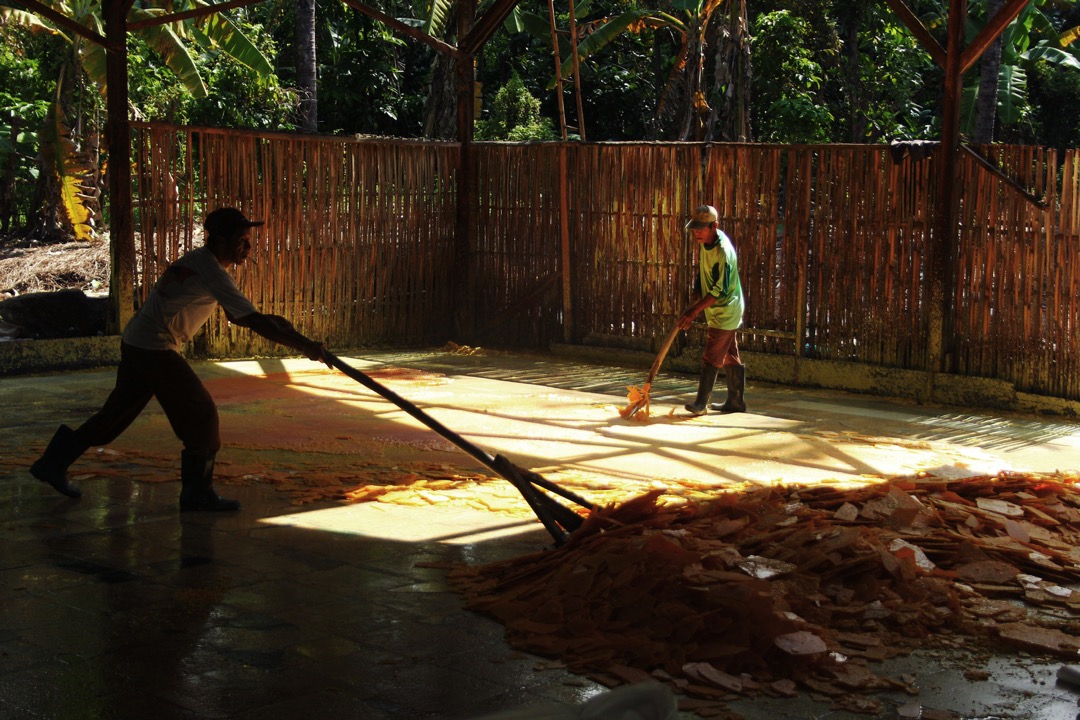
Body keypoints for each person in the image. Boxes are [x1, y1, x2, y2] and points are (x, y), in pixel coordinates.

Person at [30, 207, 330, 511]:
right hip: (155, 348)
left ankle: (51, 464)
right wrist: (305, 346)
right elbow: (249, 320)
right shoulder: (212, 271)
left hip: (137, 342)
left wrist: (296, 337)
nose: (248, 248)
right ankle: (197, 494)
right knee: (202, 416)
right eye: (241, 240)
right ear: (220, 240)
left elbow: (247, 316)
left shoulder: (201, 262)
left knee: (112, 418)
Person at [676, 204, 746, 416]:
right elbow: (704, 271)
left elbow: (719, 290)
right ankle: (735, 401)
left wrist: (693, 311)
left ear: (714, 226)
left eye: (701, 228)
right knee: (729, 354)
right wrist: (697, 291)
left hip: (726, 309)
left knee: (711, 356)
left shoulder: (722, 251)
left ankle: (700, 404)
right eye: (694, 228)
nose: (697, 232)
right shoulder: (706, 240)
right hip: (718, 308)